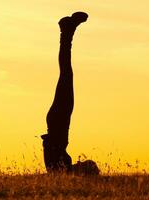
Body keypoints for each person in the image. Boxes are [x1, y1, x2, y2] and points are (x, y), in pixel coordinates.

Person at [41, 12, 99, 175]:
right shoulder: (65, 167)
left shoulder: (63, 171)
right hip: (56, 120)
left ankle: (67, 32)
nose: (83, 162)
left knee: (66, 74)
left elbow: (53, 161)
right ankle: (67, 32)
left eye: (86, 165)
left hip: (57, 121)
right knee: (66, 74)